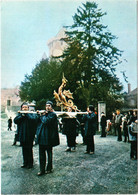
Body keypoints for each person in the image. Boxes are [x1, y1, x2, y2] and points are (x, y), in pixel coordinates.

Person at [36, 101, 60, 176]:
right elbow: (38, 122)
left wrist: (42, 115)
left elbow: (46, 121)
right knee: (41, 155)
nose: (47, 107)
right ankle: (42, 170)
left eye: (49, 106)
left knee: (49, 154)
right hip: (42, 137)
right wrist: (38, 115)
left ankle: (49, 168)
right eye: (46, 106)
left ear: (52, 107)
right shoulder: (45, 114)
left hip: (49, 138)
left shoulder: (52, 115)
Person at [14, 102, 36, 169]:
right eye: (23, 107)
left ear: (28, 108)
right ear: (21, 108)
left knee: (29, 149)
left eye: (26, 107)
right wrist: (22, 116)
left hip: (29, 135)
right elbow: (15, 121)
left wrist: (27, 115)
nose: (24, 108)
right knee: (24, 149)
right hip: (22, 134)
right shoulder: (20, 114)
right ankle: (25, 162)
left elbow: (33, 120)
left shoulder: (31, 114)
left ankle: (30, 163)